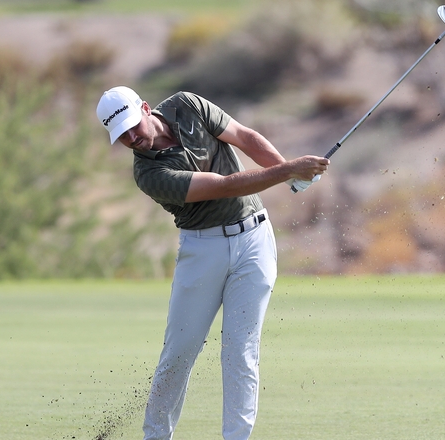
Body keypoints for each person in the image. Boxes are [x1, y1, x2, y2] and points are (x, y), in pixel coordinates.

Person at [95, 86, 329, 440]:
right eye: (122, 136)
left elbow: (244, 137)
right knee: (179, 353)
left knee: (241, 351)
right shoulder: (148, 175)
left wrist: (287, 171)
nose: (131, 138)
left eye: (133, 126)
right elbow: (224, 186)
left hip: (254, 243)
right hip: (202, 252)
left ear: (145, 108)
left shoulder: (186, 105)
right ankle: (155, 436)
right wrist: (289, 170)